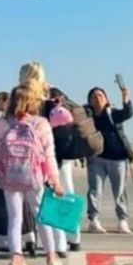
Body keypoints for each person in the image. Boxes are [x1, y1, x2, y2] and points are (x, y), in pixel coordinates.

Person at [0, 85, 64, 265]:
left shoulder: (1, 124)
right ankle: (51, 257)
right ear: (33, 101)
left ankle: (16, 260)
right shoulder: (41, 123)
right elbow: (49, 155)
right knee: (41, 216)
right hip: (34, 177)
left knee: (15, 217)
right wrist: (55, 180)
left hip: (9, 177)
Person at [86, 85, 133, 234]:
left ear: (106, 99)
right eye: (94, 96)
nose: (98, 98)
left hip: (117, 158)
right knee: (95, 190)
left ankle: (122, 221)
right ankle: (94, 220)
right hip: (96, 159)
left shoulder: (112, 113)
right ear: (89, 101)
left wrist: (125, 98)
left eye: (100, 95)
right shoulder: (87, 116)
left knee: (119, 191)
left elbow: (128, 113)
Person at [43, 88, 84, 253]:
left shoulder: (51, 104)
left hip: (57, 157)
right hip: (63, 157)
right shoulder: (64, 104)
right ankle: (72, 238)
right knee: (66, 196)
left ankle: (62, 242)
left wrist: (59, 101)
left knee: (57, 197)